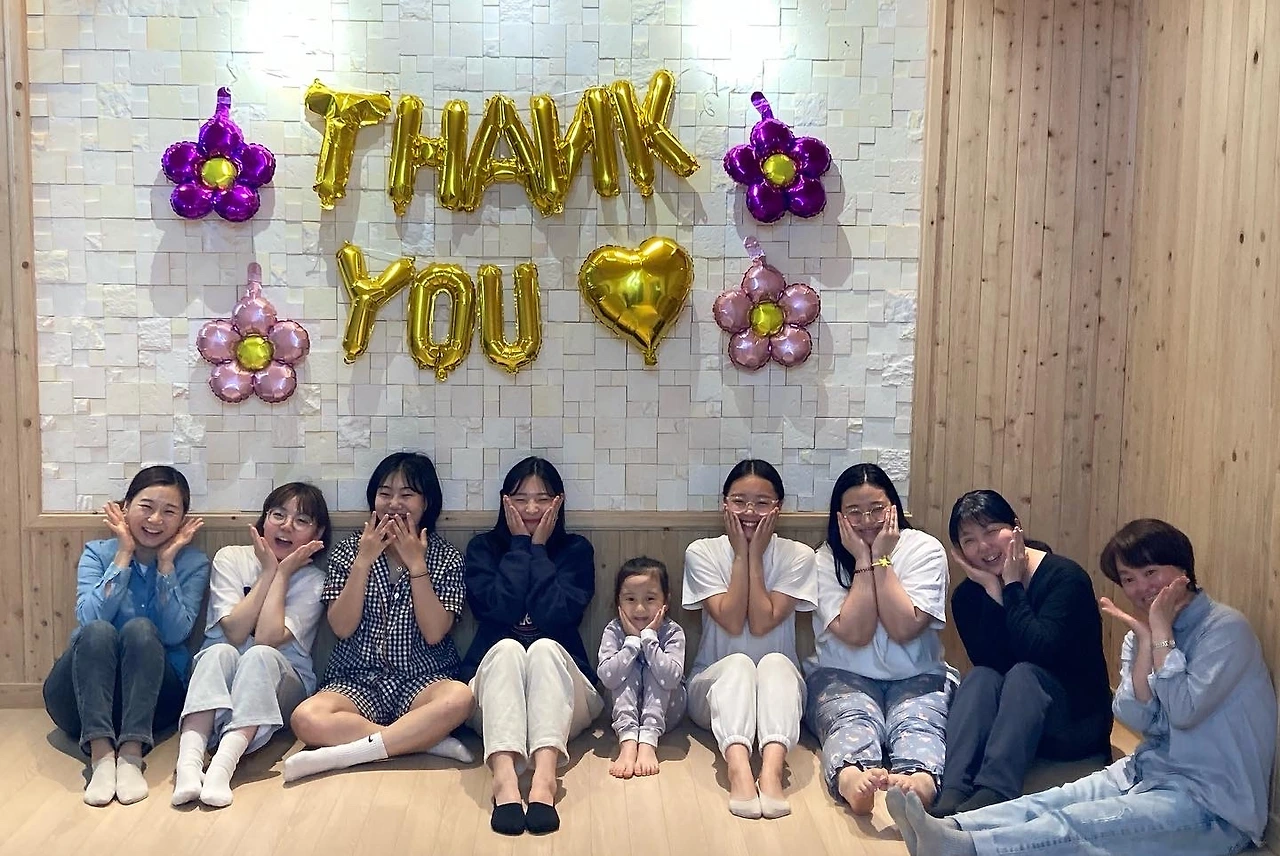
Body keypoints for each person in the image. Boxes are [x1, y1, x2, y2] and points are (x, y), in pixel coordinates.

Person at [888, 518, 1276, 856]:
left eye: (1151, 572)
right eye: (1128, 579)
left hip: (1213, 806)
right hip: (1147, 772)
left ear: (1183, 571)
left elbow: (1184, 711)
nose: (1141, 588)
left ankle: (968, 849)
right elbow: (1135, 716)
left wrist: (1159, 634)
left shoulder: (1224, 631)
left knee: (1081, 822)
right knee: (1052, 801)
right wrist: (1147, 645)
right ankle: (952, 827)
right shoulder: (1141, 634)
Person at [285, 452, 473, 782]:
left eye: (407, 494)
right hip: (355, 679)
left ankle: (350, 752)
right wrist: (363, 561)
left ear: (426, 502)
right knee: (306, 718)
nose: (394, 503)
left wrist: (417, 565)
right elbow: (342, 627)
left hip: (424, 678)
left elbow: (434, 633)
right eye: (385, 493)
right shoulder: (348, 551)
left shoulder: (446, 557)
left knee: (460, 698)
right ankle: (421, 740)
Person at [931, 490, 1112, 817]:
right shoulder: (968, 596)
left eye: (991, 531)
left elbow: (1039, 651)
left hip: (1075, 721)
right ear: (959, 551)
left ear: (1016, 528)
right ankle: (953, 790)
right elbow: (993, 662)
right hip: (1015, 725)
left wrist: (1012, 587)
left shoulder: (1065, 578)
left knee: (1025, 673)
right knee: (981, 677)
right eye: (969, 540)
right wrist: (993, 591)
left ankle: (994, 793)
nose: (983, 546)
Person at [43, 465, 208, 806]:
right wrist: (123, 555)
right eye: (146, 506)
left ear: (182, 521)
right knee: (98, 631)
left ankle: (131, 755)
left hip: (155, 702)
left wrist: (166, 565)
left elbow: (175, 632)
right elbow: (88, 618)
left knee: (141, 630)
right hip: (80, 700)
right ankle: (102, 756)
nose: (156, 519)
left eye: (169, 512)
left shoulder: (192, 563)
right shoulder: (97, 553)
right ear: (125, 506)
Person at [461, 456, 599, 836]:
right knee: (507, 648)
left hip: (566, 697)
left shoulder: (576, 551)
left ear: (559, 501)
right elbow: (499, 610)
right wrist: (521, 545)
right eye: (521, 499)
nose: (532, 508)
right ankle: (504, 779)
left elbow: (556, 616)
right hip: (492, 699)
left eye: (543, 499)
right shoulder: (483, 549)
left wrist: (539, 550)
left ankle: (544, 779)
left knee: (544, 648)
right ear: (505, 502)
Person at [805, 464, 951, 815]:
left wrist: (881, 559)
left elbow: (905, 627)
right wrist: (862, 560)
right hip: (842, 674)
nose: (867, 521)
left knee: (919, 723)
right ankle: (851, 778)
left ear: (894, 508)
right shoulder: (824, 558)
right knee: (849, 720)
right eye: (854, 512)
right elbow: (856, 634)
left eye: (876, 509)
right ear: (839, 517)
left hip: (918, 675)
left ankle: (920, 781)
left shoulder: (924, 549)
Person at [172, 483, 329, 807]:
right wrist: (268, 571)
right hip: (221, 677)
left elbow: (268, 638)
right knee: (219, 651)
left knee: (259, 655)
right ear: (264, 519)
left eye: (301, 521)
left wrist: (282, 574)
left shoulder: (314, 580)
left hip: (282, 687)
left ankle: (222, 768)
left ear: (318, 533)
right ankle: (188, 765)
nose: (287, 526)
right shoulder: (231, 558)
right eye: (278, 515)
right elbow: (235, 631)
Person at [683, 459, 817, 819]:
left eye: (761, 503)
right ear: (724, 504)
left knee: (775, 663)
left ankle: (771, 771)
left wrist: (754, 556)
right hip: (711, 691)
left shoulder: (798, 556)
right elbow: (730, 620)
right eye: (739, 501)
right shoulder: (702, 552)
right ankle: (739, 769)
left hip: (781, 693)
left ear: (778, 508)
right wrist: (741, 555)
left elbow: (761, 623)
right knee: (740, 664)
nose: (749, 512)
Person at [598, 556, 687, 779]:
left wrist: (648, 639)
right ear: (618, 602)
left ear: (666, 601)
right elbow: (607, 678)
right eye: (630, 599)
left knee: (655, 668)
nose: (639, 608)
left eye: (650, 599)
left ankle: (648, 741)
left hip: (668, 712)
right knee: (624, 669)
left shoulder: (673, 632)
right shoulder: (614, 630)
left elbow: (671, 678)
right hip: (619, 714)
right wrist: (631, 642)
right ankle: (628, 741)